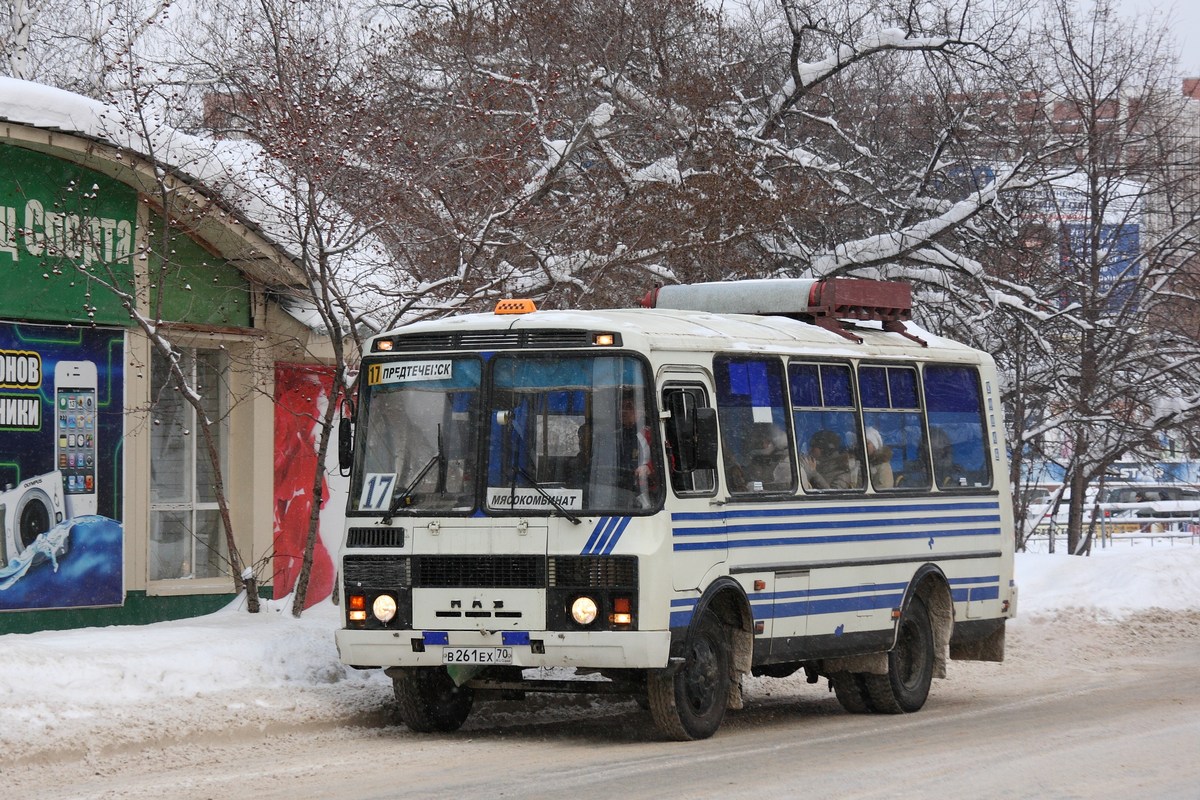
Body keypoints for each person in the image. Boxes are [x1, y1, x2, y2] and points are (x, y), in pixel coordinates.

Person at [617, 391, 653, 505]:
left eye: (628, 407)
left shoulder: (650, 435)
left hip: (644, 493)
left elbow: (667, 462)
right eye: (621, 407)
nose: (623, 411)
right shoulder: (614, 436)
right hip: (616, 490)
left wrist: (648, 468)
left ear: (641, 411)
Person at [742, 422, 791, 491]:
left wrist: (755, 486)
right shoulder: (757, 461)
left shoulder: (785, 466)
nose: (761, 444)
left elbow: (777, 489)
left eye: (765, 441)